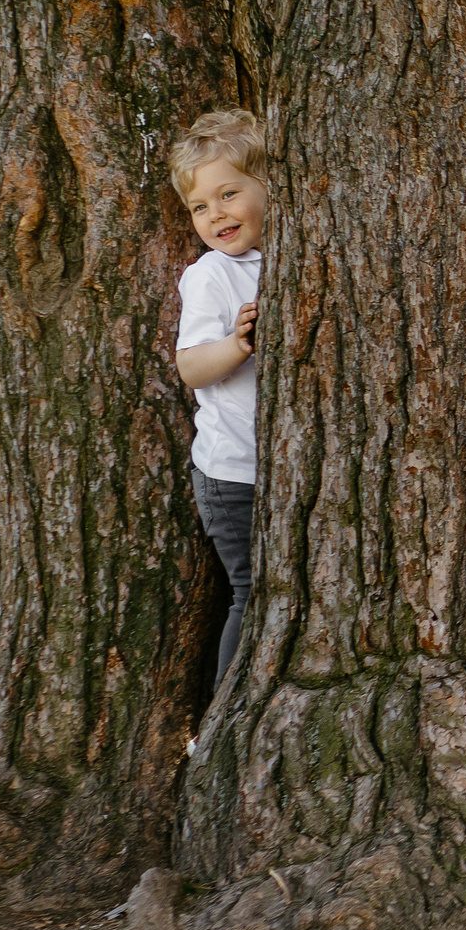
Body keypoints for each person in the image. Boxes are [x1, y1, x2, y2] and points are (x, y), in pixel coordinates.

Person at [170, 109, 269, 697]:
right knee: (252, 592)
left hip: (275, 469)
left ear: (269, 185)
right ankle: (224, 719)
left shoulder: (289, 255)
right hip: (232, 472)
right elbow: (190, 366)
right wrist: (236, 345)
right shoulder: (212, 276)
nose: (216, 215)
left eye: (229, 194)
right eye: (199, 206)